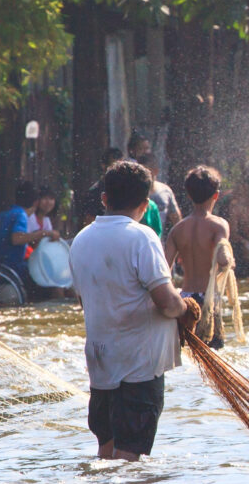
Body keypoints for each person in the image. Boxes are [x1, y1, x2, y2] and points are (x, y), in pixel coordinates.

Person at [70, 159, 200, 460]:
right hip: (139, 366)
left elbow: (84, 301)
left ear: (104, 199)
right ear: (145, 204)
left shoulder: (80, 241)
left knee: (106, 452)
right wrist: (186, 309)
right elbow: (166, 302)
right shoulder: (142, 237)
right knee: (131, 461)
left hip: (101, 366)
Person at [167, 165, 234, 343]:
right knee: (213, 352)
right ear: (216, 195)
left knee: (187, 349)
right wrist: (229, 261)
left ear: (189, 195)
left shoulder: (177, 230)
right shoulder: (219, 225)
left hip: (186, 299)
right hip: (208, 299)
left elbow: (164, 270)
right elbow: (223, 258)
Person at [0, 179, 40, 284]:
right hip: (12, 266)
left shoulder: (2, 215)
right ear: (35, 203)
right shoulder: (21, 215)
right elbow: (17, 238)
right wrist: (44, 233)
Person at [73, 147, 125, 224]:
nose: (117, 172)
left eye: (121, 168)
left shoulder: (125, 190)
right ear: (104, 166)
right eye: (113, 167)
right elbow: (89, 221)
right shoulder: (95, 192)